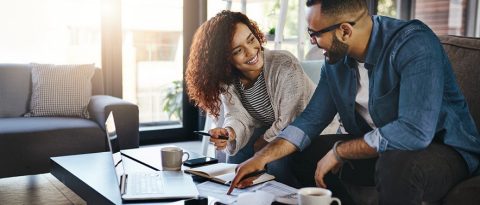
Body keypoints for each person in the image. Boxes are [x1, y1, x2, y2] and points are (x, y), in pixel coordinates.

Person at [229, 0, 480, 204]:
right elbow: (310, 121)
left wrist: (340, 151)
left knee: (396, 164)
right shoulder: (335, 61)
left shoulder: (414, 44)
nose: (311, 42)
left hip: (444, 149)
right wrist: (261, 157)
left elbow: (414, 132)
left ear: (345, 31)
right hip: (383, 148)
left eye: (314, 34)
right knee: (299, 154)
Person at [185, 10, 316, 187]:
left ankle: (281, 197)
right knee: (235, 153)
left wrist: (260, 147)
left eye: (251, 39)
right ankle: (236, 193)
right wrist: (229, 132)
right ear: (225, 59)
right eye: (238, 50)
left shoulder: (284, 64)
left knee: (275, 156)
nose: (251, 52)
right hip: (276, 128)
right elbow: (238, 116)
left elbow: (290, 120)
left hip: (310, 131)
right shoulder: (229, 80)